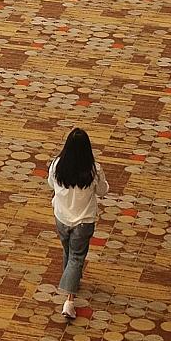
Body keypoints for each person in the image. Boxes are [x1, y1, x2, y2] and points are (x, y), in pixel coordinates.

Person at [47, 127, 110, 320]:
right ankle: (69, 300)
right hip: (83, 222)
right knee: (76, 257)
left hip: (61, 218)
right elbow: (102, 191)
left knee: (68, 251)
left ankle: (73, 282)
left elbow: (51, 184)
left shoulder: (57, 165)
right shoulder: (93, 170)